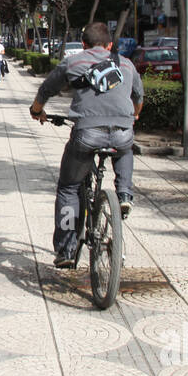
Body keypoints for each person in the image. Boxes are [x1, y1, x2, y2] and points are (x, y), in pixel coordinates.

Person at [30, 22, 143, 269]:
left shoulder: (73, 62)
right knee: (125, 145)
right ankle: (124, 193)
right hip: (122, 130)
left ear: (83, 44)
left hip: (87, 133)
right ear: (110, 45)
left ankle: (66, 250)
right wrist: (132, 116)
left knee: (68, 188)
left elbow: (47, 89)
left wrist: (36, 111)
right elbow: (138, 96)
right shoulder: (126, 64)